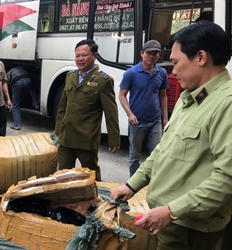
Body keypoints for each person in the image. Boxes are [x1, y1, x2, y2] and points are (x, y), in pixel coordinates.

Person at [111, 21, 232, 250]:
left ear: (201, 57)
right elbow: (162, 151)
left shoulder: (226, 104)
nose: (173, 71)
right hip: (171, 222)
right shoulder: (192, 98)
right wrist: (132, 185)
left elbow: (227, 178)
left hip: (190, 229)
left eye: (176, 62)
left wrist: (171, 211)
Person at [55, 39, 120, 181]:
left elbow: (111, 112)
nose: (80, 59)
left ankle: (97, 200)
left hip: (86, 138)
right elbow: (62, 107)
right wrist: (58, 129)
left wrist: (114, 138)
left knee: (91, 177)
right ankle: (65, 202)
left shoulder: (103, 81)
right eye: (77, 56)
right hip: (66, 137)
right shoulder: (70, 76)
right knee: (63, 176)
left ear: (94, 56)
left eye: (84, 55)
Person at [119, 39, 168, 177]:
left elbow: (163, 96)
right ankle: (133, 184)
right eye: (149, 53)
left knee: (157, 154)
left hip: (155, 121)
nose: (152, 56)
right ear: (142, 53)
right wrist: (130, 114)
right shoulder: (132, 73)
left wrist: (165, 118)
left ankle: (154, 183)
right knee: (134, 156)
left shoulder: (162, 73)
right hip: (137, 122)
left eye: (156, 54)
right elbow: (122, 95)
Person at [6, 66, 39, 130]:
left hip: (17, 82)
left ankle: (17, 125)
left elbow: (6, 85)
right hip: (28, 79)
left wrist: (7, 98)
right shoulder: (21, 68)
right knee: (32, 88)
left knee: (15, 105)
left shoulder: (8, 73)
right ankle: (36, 103)